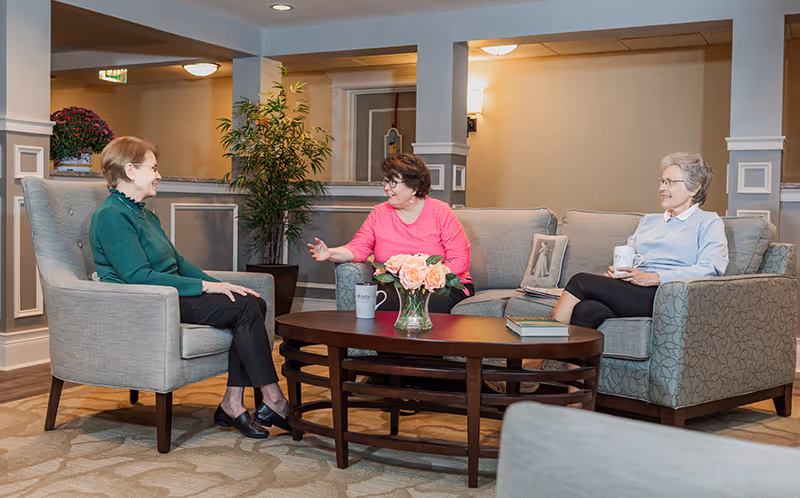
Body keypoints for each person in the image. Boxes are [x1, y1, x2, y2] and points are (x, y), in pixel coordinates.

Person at [89, 136, 290, 439]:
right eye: (153, 168)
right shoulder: (111, 216)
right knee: (247, 307)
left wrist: (219, 284)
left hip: (171, 294)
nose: (158, 175)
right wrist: (205, 289)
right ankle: (272, 399)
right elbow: (138, 276)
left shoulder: (144, 213)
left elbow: (177, 263)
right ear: (131, 171)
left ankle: (234, 403)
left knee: (250, 302)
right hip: (150, 301)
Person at [552, 152, 728, 329]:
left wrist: (655, 278)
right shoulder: (648, 221)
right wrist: (620, 271)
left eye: (670, 182)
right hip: (634, 290)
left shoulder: (708, 222)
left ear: (695, 187)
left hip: (667, 294)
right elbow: (630, 256)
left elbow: (710, 269)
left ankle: (539, 354)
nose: (662, 188)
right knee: (586, 310)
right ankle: (569, 357)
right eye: (662, 182)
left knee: (581, 281)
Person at [308, 153, 473, 312]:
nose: (386, 188)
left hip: (442, 285)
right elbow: (358, 248)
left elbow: (459, 260)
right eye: (385, 182)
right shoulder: (379, 213)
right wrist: (329, 253)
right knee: (382, 300)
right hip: (395, 286)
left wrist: (423, 278)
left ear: (414, 187)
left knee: (429, 303)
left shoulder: (440, 212)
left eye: (393, 182)